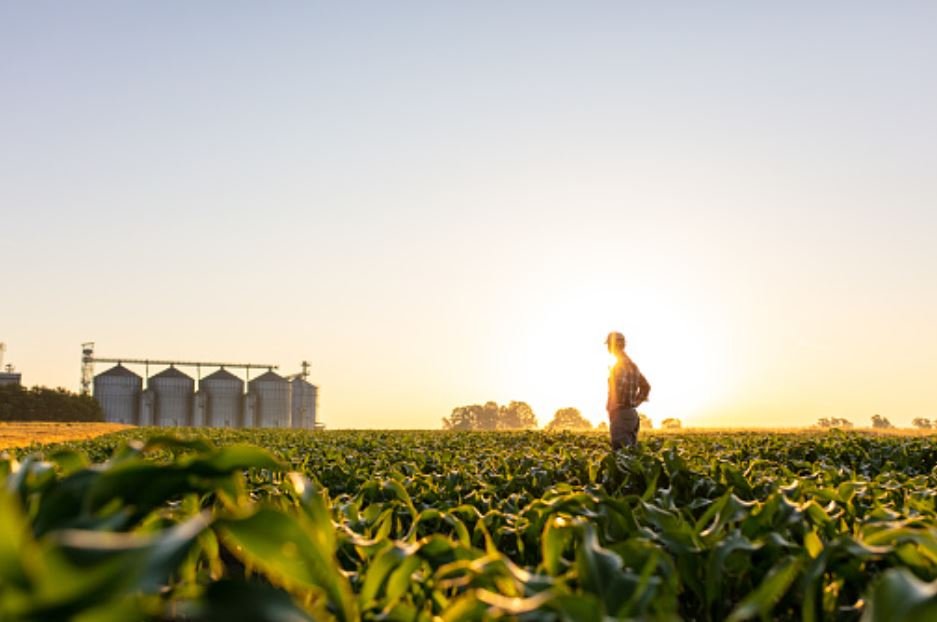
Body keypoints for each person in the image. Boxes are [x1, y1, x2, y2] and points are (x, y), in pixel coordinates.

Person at [605, 331, 651, 449]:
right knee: (631, 454)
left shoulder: (618, 367)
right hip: (631, 414)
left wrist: (614, 406)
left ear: (612, 346)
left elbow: (618, 390)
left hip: (621, 414)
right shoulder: (632, 365)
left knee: (621, 455)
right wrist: (634, 403)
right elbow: (646, 387)